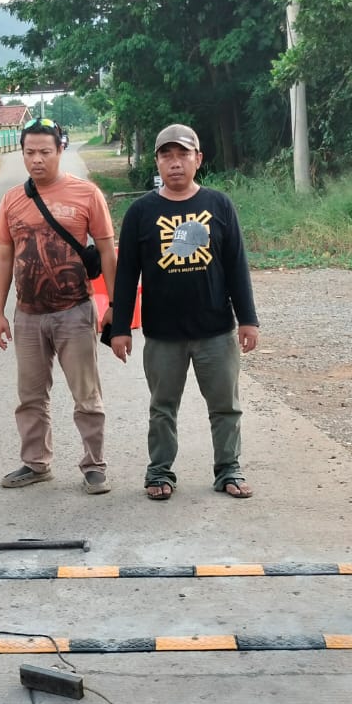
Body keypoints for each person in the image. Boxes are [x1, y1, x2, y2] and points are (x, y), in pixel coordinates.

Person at [109, 124, 259, 501]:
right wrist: (121, 328)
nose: (174, 163)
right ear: (157, 161)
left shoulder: (219, 205)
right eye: (166, 156)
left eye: (182, 155)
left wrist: (249, 319)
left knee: (225, 407)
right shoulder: (141, 212)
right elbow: (126, 273)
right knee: (162, 408)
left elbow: (237, 265)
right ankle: (159, 471)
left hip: (215, 330)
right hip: (162, 333)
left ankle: (228, 468)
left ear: (198, 159)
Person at [0, 117, 118, 494]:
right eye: (30, 152)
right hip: (28, 315)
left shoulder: (86, 194)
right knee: (30, 396)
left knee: (86, 395)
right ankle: (36, 463)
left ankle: (94, 465)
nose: (37, 160)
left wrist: (114, 304)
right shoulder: (12, 200)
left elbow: (108, 253)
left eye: (45, 152)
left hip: (74, 312)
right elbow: (2, 258)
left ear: (61, 150)